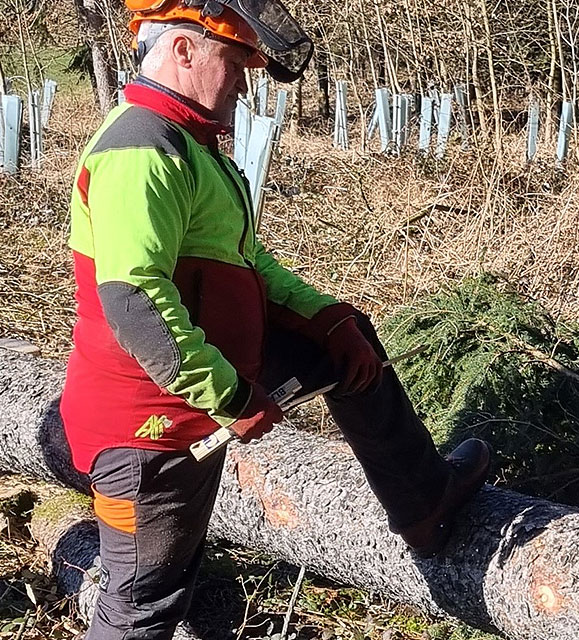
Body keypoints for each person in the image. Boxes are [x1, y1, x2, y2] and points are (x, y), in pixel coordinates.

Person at [63, 1, 491, 638]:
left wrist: (323, 320)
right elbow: (133, 299)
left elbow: (245, 263)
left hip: (199, 386)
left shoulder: (190, 146)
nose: (243, 84)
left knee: (350, 347)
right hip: (149, 428)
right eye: (235, 65)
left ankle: (423, 503)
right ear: (184, 51)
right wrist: (230, 396)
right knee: (142, 608)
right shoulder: (142, 148)